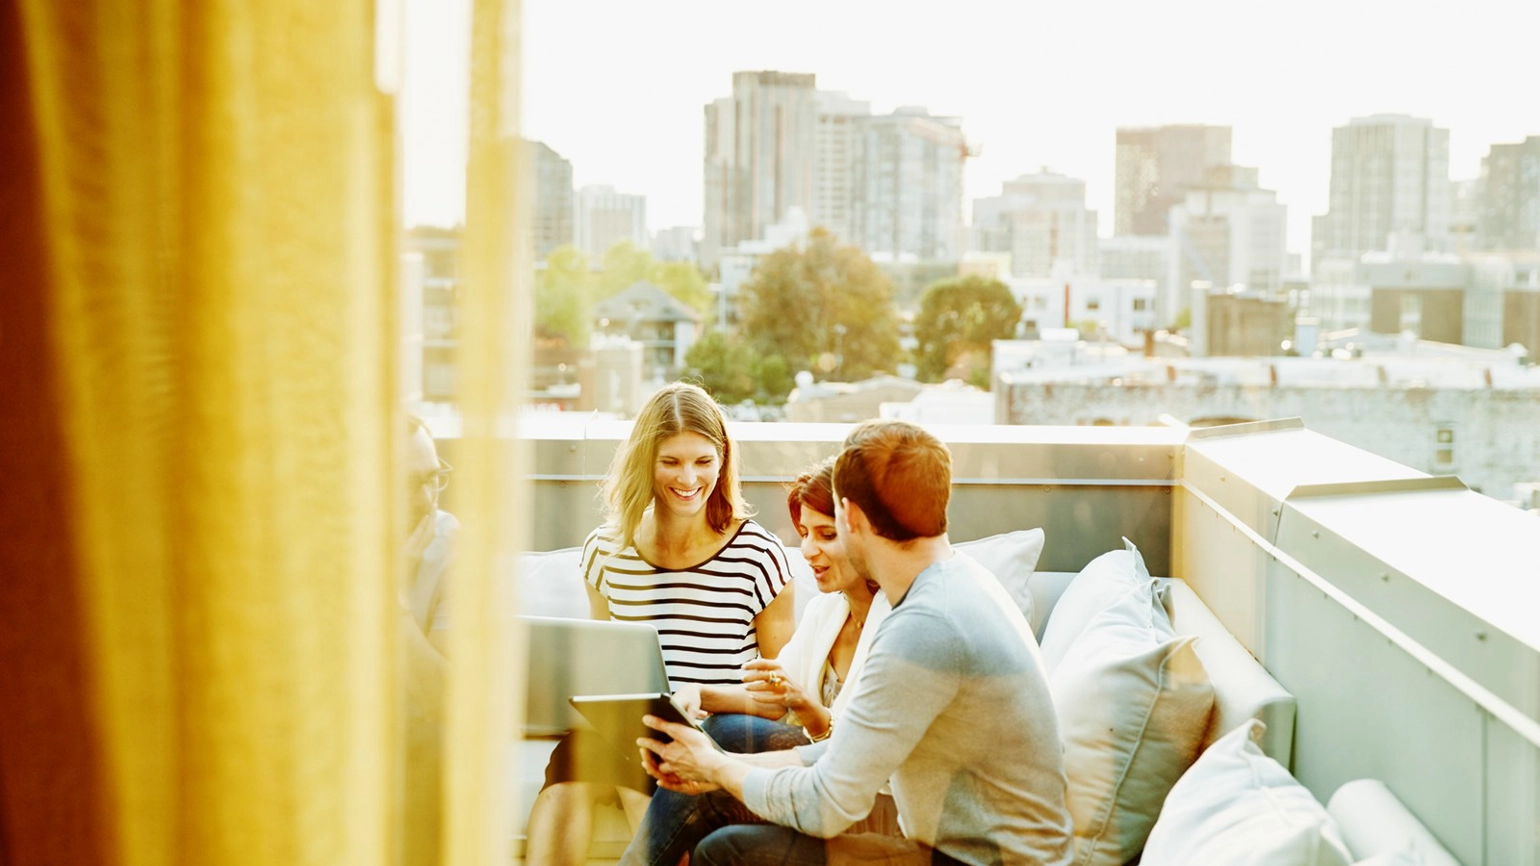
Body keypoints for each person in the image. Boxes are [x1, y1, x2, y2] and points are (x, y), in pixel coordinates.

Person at [633, 420, 1073, 866]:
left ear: (853, 519)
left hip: (977, 862)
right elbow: (838, 754)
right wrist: (718, 767)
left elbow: (827, 804)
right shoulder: (954, 583)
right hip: (964, 852)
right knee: (720, 829)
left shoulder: (924, 626)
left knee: (730, 853)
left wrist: (716, 767)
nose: (811, 547)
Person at [524, 382, 797, 866]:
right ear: (644, 462)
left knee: (644, 773)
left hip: (713, 731)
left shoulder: (758, 556)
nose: (688, 477)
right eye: (670, 461)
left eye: (702, 461)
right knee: (567, 783)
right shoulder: (606, 553)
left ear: (723, 460)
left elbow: (782, 699)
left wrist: (699, 695)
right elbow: (603, 665)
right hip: (627, 728)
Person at [622, 457, 898, 866]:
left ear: (865, 534)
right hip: (824, 770)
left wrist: (809, 713)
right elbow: (774, 700)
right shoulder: (829, 612)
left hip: (874, 797)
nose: (807, 550)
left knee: (719, 760)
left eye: (825, 534)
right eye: (804, 533)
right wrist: (700, 694)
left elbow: (859, 755)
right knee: (722, 730)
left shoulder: (898, 624)